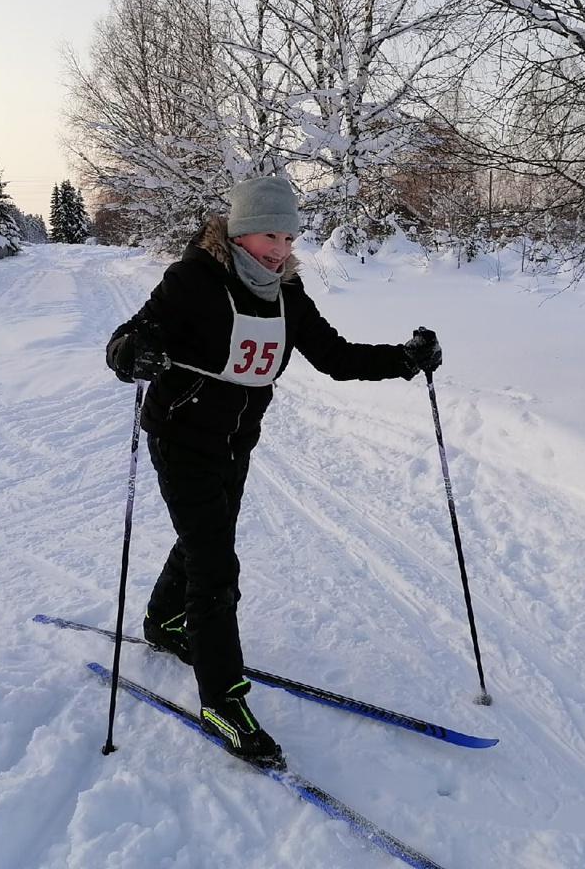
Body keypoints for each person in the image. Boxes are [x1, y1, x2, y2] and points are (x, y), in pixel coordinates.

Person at [105, 175, 442, 767]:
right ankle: (222, 701)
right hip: (181, 437)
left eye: (289, 237)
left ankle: (162, 622)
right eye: (269, 235)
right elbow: (127, 338)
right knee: (215, 566)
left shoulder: (287, 291)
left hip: (236, 442)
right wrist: (133, 352)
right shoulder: (193, 279)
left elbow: (336, 357)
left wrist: (406, 360)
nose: (280, 249)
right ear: (239, 231)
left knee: (204, 539)